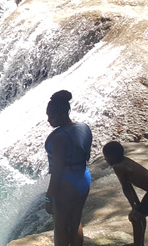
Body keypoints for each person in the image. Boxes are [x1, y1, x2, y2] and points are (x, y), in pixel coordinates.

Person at [44, 90, 92, 246]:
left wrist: (48, 197)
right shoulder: (84, 127)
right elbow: (86, 154)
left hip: (67, 182)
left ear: (61, 115)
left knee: (61, 226)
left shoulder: (59, 137)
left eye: (51, 117)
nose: (49, 120)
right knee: (75, 221)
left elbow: (57, 171)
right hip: (83, 177)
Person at [102, 141, 148, 246]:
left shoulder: (118, 167)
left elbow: (126, 188)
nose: (105, 160)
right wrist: (135, 205)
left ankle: (138, 244)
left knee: (135, 217)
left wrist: (134, 207)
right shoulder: (125, 160)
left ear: (111, 158)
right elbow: (130, 188)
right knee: (137, 215)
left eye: (105, 157)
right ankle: (139, 243)